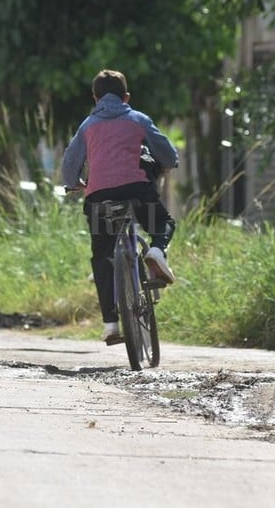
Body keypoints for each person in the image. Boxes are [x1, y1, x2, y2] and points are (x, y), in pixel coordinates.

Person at [61, 69, 178, 345]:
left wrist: (75, 182)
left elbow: (69, 164)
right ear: (126, 97)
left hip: (99, 197)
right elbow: (167, 154)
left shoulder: (87, 125)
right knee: (163, 223)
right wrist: (168, 163)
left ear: (94, 97)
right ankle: (157, 251)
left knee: (102, 254)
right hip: (138, 192)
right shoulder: (138, 119)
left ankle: (111, 324)